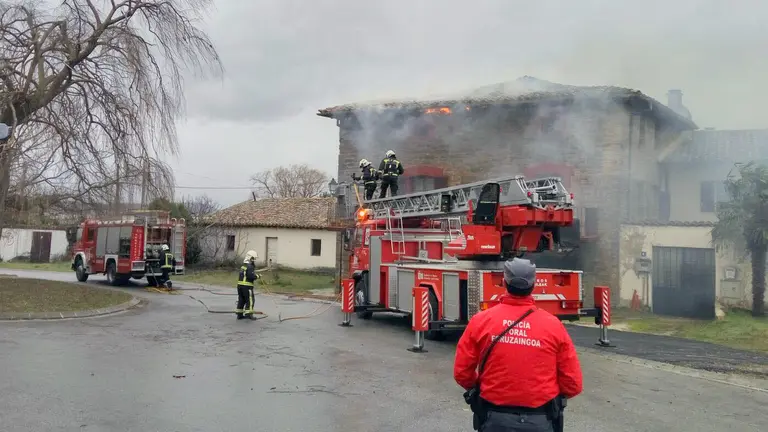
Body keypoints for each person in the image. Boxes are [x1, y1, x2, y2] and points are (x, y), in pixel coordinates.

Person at [453, 258, 583, 431]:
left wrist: (480, 387)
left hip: (494, 418)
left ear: (504, 282)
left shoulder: (481, 321)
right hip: (540, 419)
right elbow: (573, 383)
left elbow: (462, 372)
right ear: (534, 285)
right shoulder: (553, 325)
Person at [236, 250, 262, 320]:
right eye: (254, 258)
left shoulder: (243, 265)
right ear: (251, 258)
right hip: (247, 287)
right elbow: (250, 276)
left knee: (241, 300)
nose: (254, 260)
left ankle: (239, 314)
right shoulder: (250, 266)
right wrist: (258, 276)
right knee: (250, 300)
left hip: (240, 286)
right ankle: (249, 314)